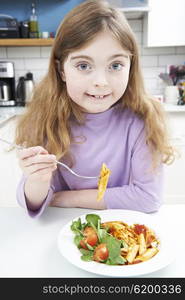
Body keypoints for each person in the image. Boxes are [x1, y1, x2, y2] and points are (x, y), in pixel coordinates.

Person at [15, 0, 175, 218]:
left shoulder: (141, 120)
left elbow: (149, 197)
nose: (101, 82)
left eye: (115, 65)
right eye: (83, 66)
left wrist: (63, 198)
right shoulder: (46, 120)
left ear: (131, 66)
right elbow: (31, 202)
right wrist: (37, 180)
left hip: (116, 231)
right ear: (62, 70)